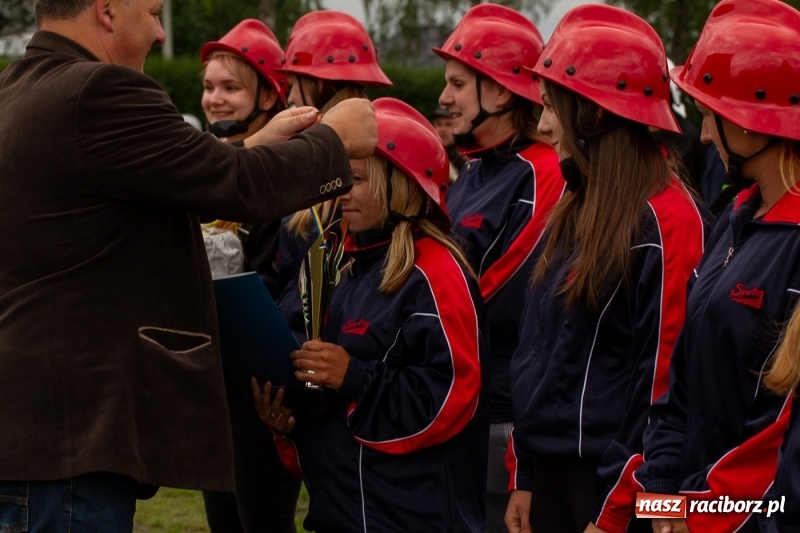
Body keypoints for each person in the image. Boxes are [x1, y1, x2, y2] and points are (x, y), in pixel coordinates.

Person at [0, 0, 377, 530]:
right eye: (153, 12)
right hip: (72, 445)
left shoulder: (17, 90)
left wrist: (247, 149)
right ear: (108, 11)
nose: (159, 32)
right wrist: (335, 141)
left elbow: (152, 190)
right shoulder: (99, 91)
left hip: (32, 439)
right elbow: (237, 185)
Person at [504, 4, 707, 533]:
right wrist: (522, 473)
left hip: (612, 493)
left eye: (551, 107)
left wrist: (616, 512)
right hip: (549, 482)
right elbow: (535, 355)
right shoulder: (575, 203)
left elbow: (662, 390)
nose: (543, 125)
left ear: (594, 114)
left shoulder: (669, 222)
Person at [252, 97, 490, 532]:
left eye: (355, 179)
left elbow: (449, 399)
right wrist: (288, 419)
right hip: (337, 513)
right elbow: (316, 387)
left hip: (414, 519)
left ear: (399, 183)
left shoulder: (435, 270)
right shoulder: (329, 260)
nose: (338, 192)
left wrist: (353, 376)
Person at [627, 1, 800, 532]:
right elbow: (678, 389)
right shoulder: (734, 218)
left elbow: (779, 440)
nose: (702, 135)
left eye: (710, 112)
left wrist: (697, 517)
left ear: (755, 121)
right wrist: (660, 504)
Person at [433, 5, 565, 530]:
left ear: (503, 92)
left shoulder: (545, 172)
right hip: (459, 402)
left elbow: (497, 298)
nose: (444, 98)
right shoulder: (475, 169)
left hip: (504, 420)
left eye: (458, 83)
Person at [198, 19, 302, 533]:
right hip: (212, 389)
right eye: (209, 86)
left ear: (267, 97)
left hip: (263, 395)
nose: (214, 99)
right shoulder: (196, 168)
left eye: (230, 87)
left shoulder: (275, 172)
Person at [275, 9, 392, 344]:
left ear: (321, 86)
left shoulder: (370, 169)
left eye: (293, 84)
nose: (290, 98)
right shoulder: (309, 161)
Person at [428, 104, 467, 182]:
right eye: (439, 124)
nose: (442, 129)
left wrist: (454, 177)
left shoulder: (466, 157)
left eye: (448, 125)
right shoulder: (428, 152)